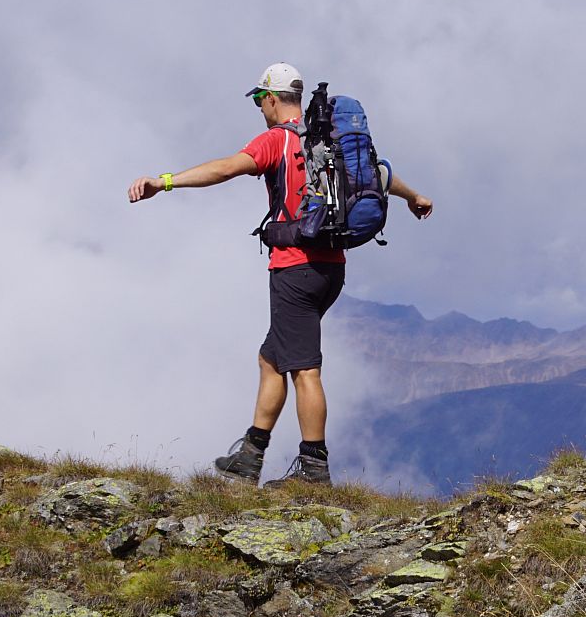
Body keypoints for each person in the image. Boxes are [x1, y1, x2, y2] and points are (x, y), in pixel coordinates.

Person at [128, 62, 434, 486]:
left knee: (304, 369)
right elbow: (377, 173)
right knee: (272, 357)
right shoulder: (329, 139)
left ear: (271, 98)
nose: (258, 107)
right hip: (331, 269)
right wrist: (413, 195)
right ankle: (250, 456)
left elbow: (224, 168)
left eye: (258, 99)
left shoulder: (278, 140)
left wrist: (165, 182)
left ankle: (314, 470)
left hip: (295, 269)